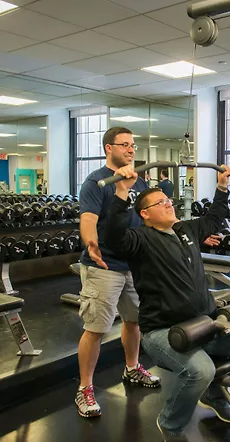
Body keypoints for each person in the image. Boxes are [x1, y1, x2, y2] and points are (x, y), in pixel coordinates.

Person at [104, 164, 230, 442]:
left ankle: (215, 394)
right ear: (145, 214)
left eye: (168, 200)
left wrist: (222, 187)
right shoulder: (140, 239)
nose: (169, 204)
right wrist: (121, 192)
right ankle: (171, 424)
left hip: (203, 324)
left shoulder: (185, 230)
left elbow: (214, 219)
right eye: (161, 202)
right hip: (163, 331)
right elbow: (113, 237)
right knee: (201, 370)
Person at [76, 127, 161, 419]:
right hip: (104, 265)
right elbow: (88, 219)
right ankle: (85, 387)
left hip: (133, 265)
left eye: (132, 145)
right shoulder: (97, 182)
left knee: (133, 321)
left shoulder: (139, 182)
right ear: (108, 148)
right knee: (96, 328)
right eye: (124, 144)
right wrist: (90, 242)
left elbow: (148, 219)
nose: (131, 149)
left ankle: (132, 368)